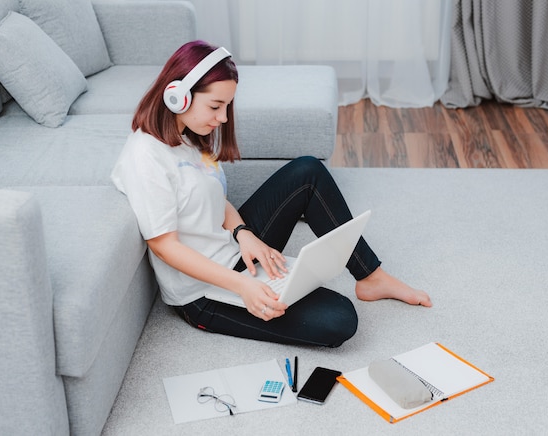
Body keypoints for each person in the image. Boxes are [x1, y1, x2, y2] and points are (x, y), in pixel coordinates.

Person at [111, 40, 431, 348]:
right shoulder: (146, 157)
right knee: (340, 319)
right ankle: (232, 300)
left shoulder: (187, 135)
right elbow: (165, 247)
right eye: (215, 106)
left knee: (307, 171)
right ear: (177, 96)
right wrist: (243, 286)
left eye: (227, 106)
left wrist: (243, 233)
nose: (222, 118)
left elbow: (213, 201)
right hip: (203, 292)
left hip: (234, 253)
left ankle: (371, 276)